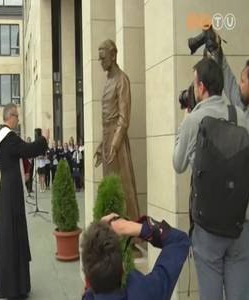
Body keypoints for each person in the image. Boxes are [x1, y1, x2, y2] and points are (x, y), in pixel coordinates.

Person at [173, 57, 249, 300]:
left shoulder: (194, 120)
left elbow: (178, 164)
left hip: (208, 228)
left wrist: (184, 122)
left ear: (201, 87)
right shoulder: (239, 115)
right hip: (242, 221)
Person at [211, 40, 249, 298]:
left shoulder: (246, 124)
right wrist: (218, 53)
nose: (239, 85)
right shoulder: (245, 111)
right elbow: (232, 88)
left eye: (243, 81)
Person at [0, 103, 49, 300]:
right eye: (16, 115)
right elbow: (29, 149)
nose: (18, 119)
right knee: (12, 235)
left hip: (10, 189)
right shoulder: (9, 137)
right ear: (10, 116)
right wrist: (43, 140)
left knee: (14, 235)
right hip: (10, 193)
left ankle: (18, 285)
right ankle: (12, 288)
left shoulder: (4, 137)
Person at [81, 213, 190, 300]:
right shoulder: (148, 292)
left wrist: (99, 233)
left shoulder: (88, 296)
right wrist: (130, 227)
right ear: (123, 268)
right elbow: (179, 241)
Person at [94, 39, 140, 221]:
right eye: (99, 59)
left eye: (103, 58)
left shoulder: (122, 80)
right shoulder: (108, 81)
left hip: (117, 143)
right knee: (110, 187)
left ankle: (131, 234)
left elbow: (123, 118)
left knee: (123, 187)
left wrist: (114, 143)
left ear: (113, 56)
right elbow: (107, 120)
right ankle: (113, 229)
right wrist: (102, 145)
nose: (101, 62)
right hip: (108, 140)